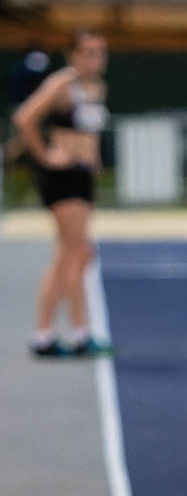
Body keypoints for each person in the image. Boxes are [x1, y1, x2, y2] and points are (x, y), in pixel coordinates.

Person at [12, 30, 112, 357]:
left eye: (100, 52)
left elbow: (87, 132)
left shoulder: (97, 88)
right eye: (88, 52)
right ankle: (81, 333)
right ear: (73, 55)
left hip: (81, 176)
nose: (95, 58)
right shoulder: (61, 84)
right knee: (77, 252)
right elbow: (24, 118)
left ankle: (43, 334)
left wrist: (93, 159)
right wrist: (45, 156)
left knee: (69, 255)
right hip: (62, 176)